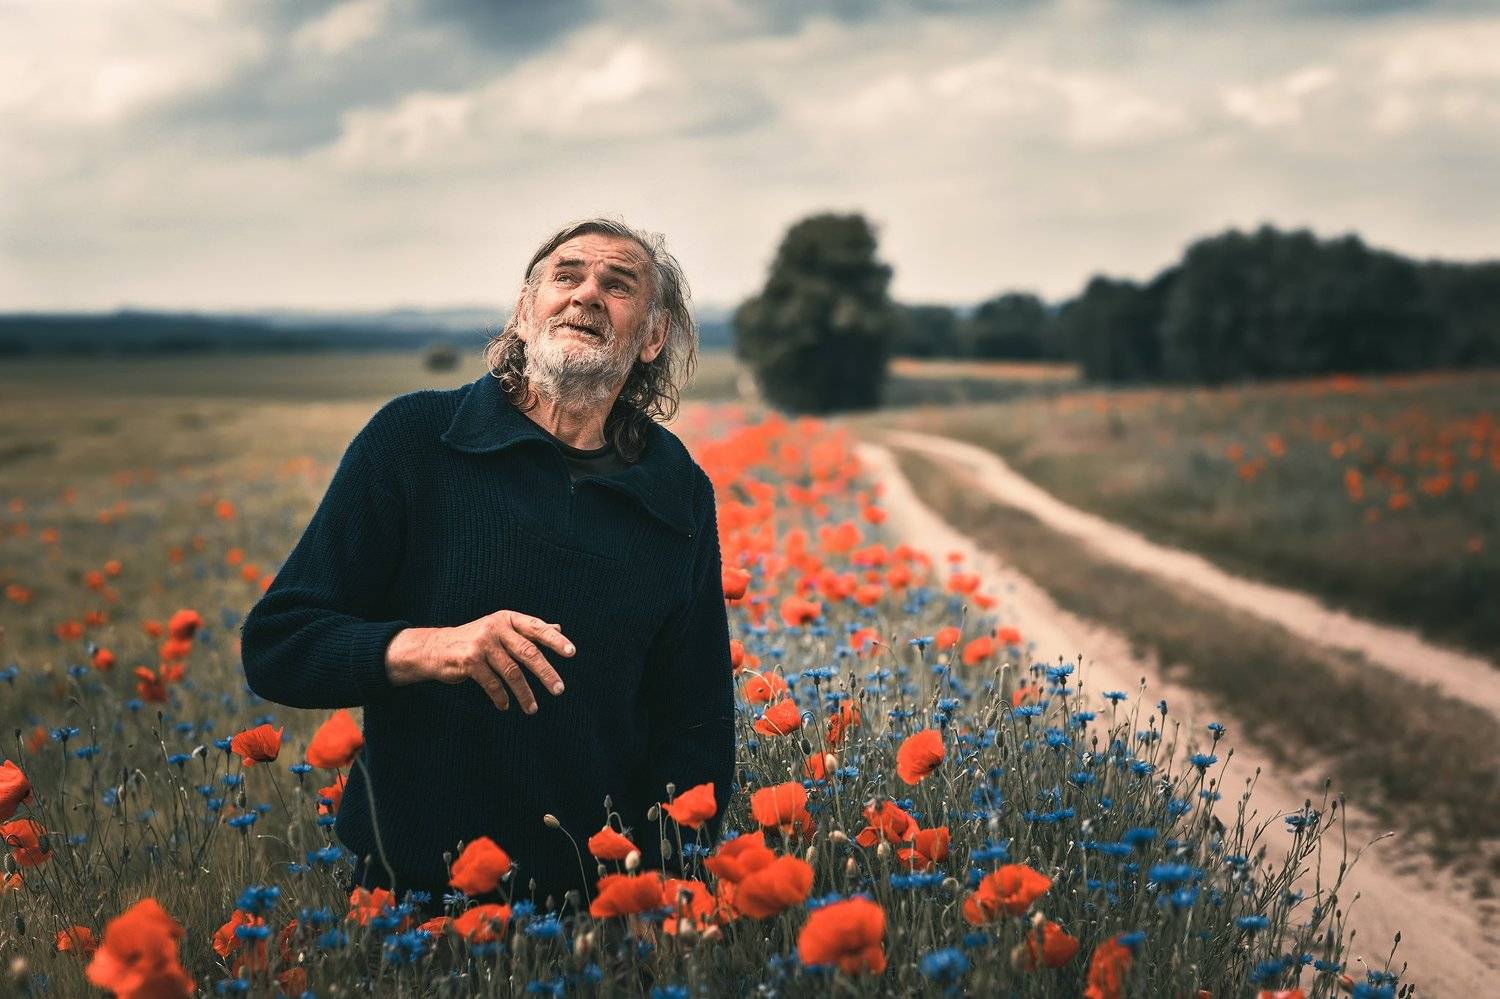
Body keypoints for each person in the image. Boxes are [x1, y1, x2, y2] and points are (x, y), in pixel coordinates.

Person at [240, 218, 737, 918]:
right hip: (413, 902)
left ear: (652, 338)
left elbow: (697, 725)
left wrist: (667, 887)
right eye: (566, 275)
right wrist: (430, 646)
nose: (587, 293)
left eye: (618, 284)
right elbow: (278, 644)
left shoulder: (675, 489)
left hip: (593, 911)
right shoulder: (416, 442)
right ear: (525, 312)